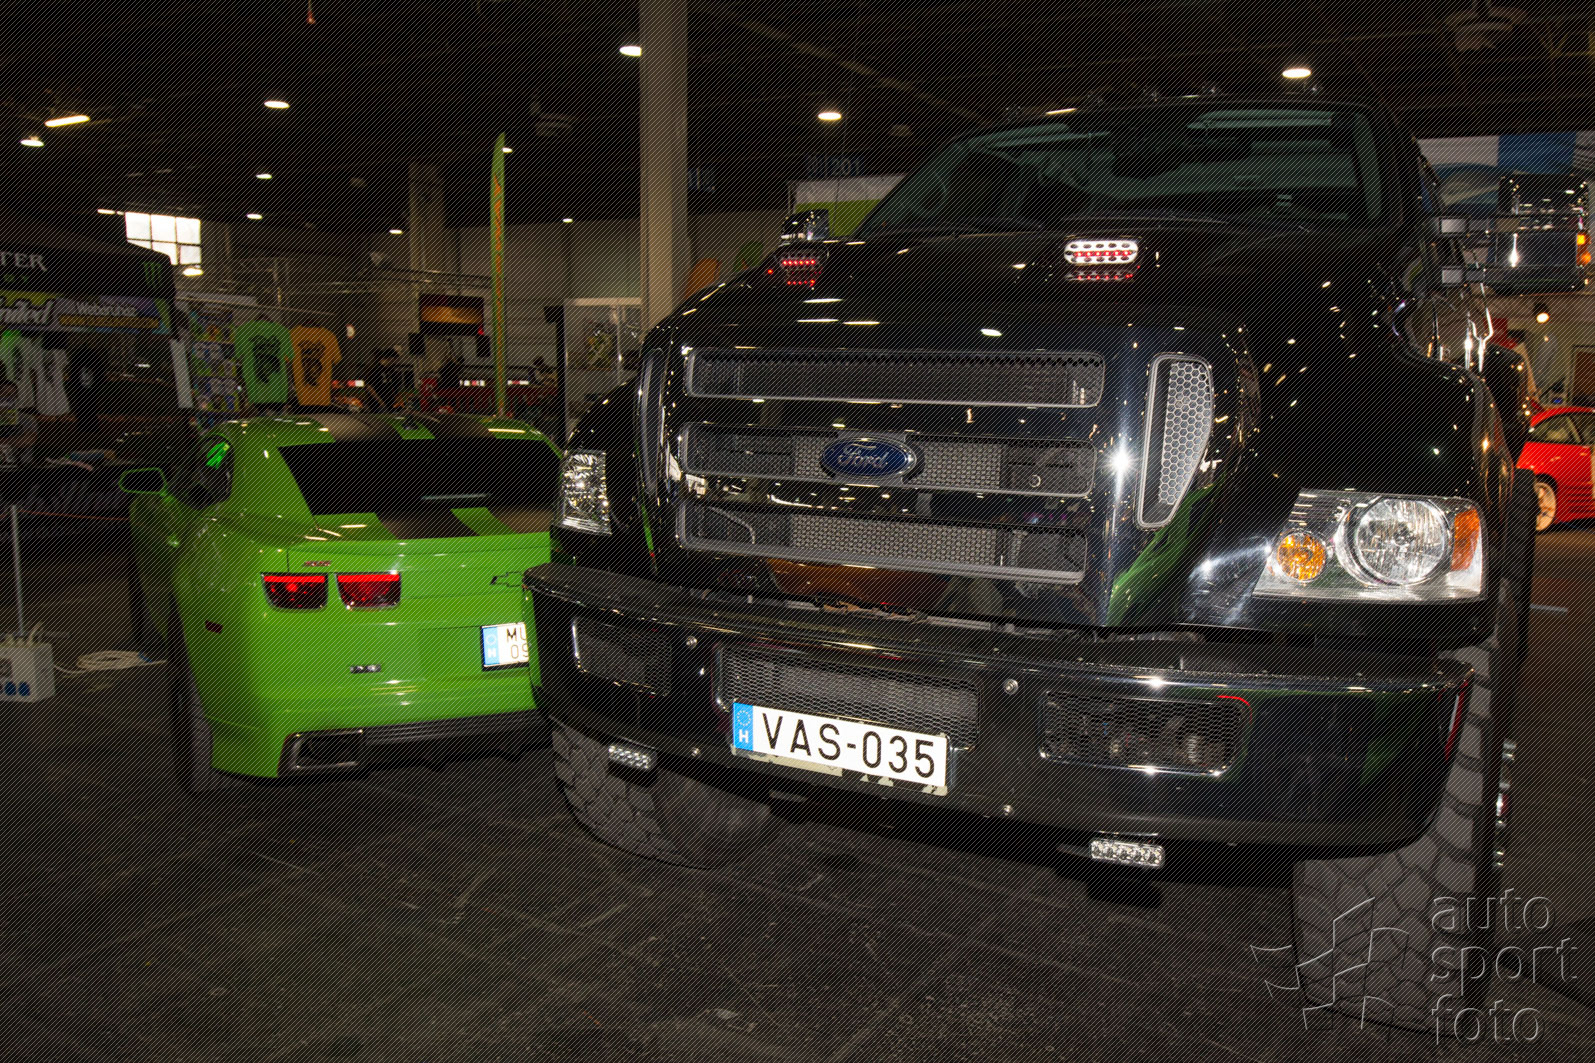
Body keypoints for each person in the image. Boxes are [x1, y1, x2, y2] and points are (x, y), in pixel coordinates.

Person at [0, 378, 39, 464]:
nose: (9, 397)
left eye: (13, 395)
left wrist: (3, 440)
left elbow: (29, 440)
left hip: (22, 466)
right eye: (5, 393)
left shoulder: (26, 418)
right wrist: (15, 439)